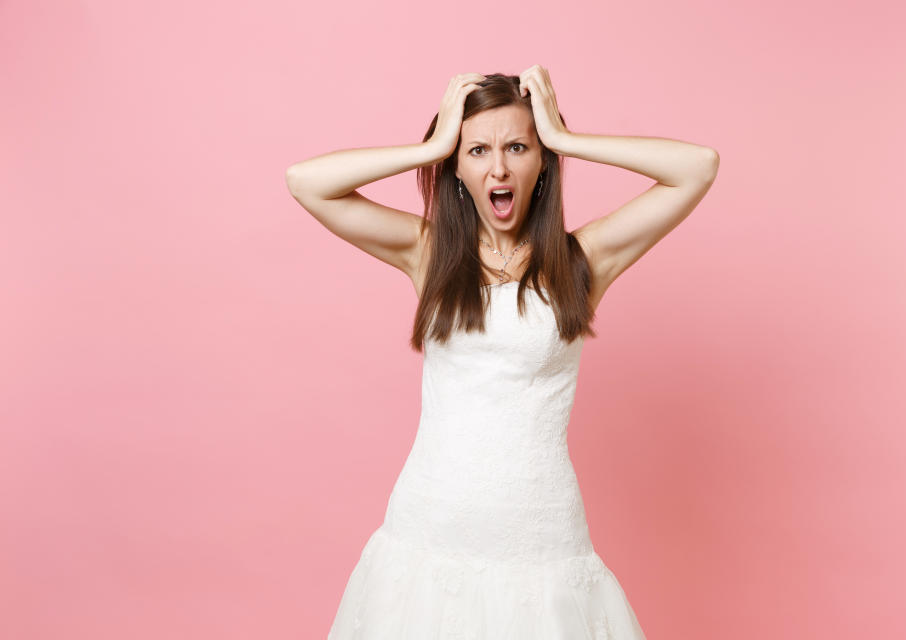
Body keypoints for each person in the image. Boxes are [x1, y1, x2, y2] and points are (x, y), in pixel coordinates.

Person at [285, 65, 719, 639]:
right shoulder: (427, 251)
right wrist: (435, 145)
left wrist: (567, 139)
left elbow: (698, 168)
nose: (499, 167)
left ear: (541, 164)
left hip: (542, 541)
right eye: (478, 150)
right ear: (458, 169)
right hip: (429, 531)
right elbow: (306, 181)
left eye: (518, 147)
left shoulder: (581, 262)